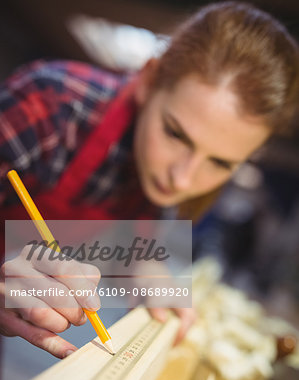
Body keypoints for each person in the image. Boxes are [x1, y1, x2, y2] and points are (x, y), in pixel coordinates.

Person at [0, 1, 298, 358]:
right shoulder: (50, 104)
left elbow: (127, 244)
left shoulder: (165, 173)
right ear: (149, 79)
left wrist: (143, 267)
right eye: (175, 134)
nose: (183, 179)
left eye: (220, 162)